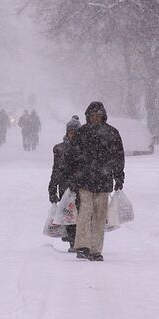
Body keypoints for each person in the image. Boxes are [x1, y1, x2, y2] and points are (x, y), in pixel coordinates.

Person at [66, 102, 124, 261]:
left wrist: (119, 176)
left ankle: (95, 249)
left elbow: (118, 157)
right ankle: (83, 246)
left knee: (99, 215)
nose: (95, 118)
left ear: (103, 115)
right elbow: (72, 157)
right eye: (93, 115)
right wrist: (72, 177)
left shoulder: (112, 133)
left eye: (98, 115)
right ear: (88, 116)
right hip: (84, 181)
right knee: (85, 212)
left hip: (103, 181)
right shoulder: (82, 133)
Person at [48, 116, 81, 251]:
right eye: (70, 131)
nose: (72, 133)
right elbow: (55, 169)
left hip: (80, 186)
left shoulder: (84, 148)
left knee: (79, 214)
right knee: (68, 215)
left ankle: (78, 241)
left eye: (75, 131)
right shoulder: (59, 149)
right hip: (65, 187)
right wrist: (52, 188)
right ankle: (72, 241)